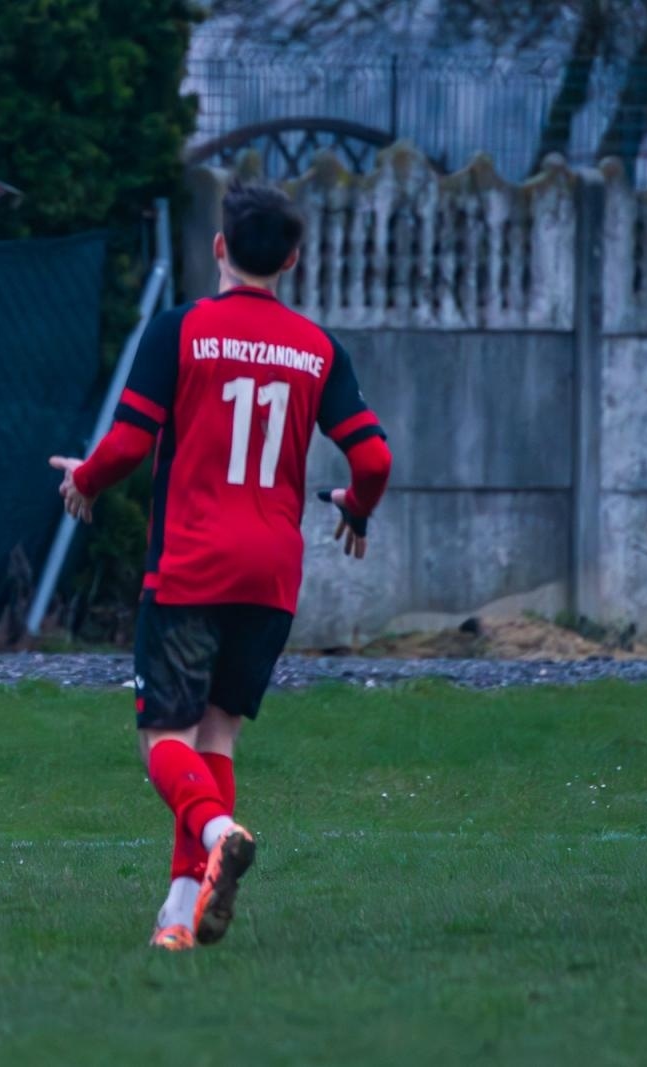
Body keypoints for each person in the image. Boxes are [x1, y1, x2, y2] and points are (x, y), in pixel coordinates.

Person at [49, 180, 393, 949]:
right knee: (217, 737)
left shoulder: (182, 329)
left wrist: (85, 480)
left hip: (192, 560)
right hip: (272, 570)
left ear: (218, 248)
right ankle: (180, 916)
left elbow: (132, 442)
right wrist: (355, 506)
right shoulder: (318, 347)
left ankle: (217, 833)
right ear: (294, 259)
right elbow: (373, 455)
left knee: (161, 742)